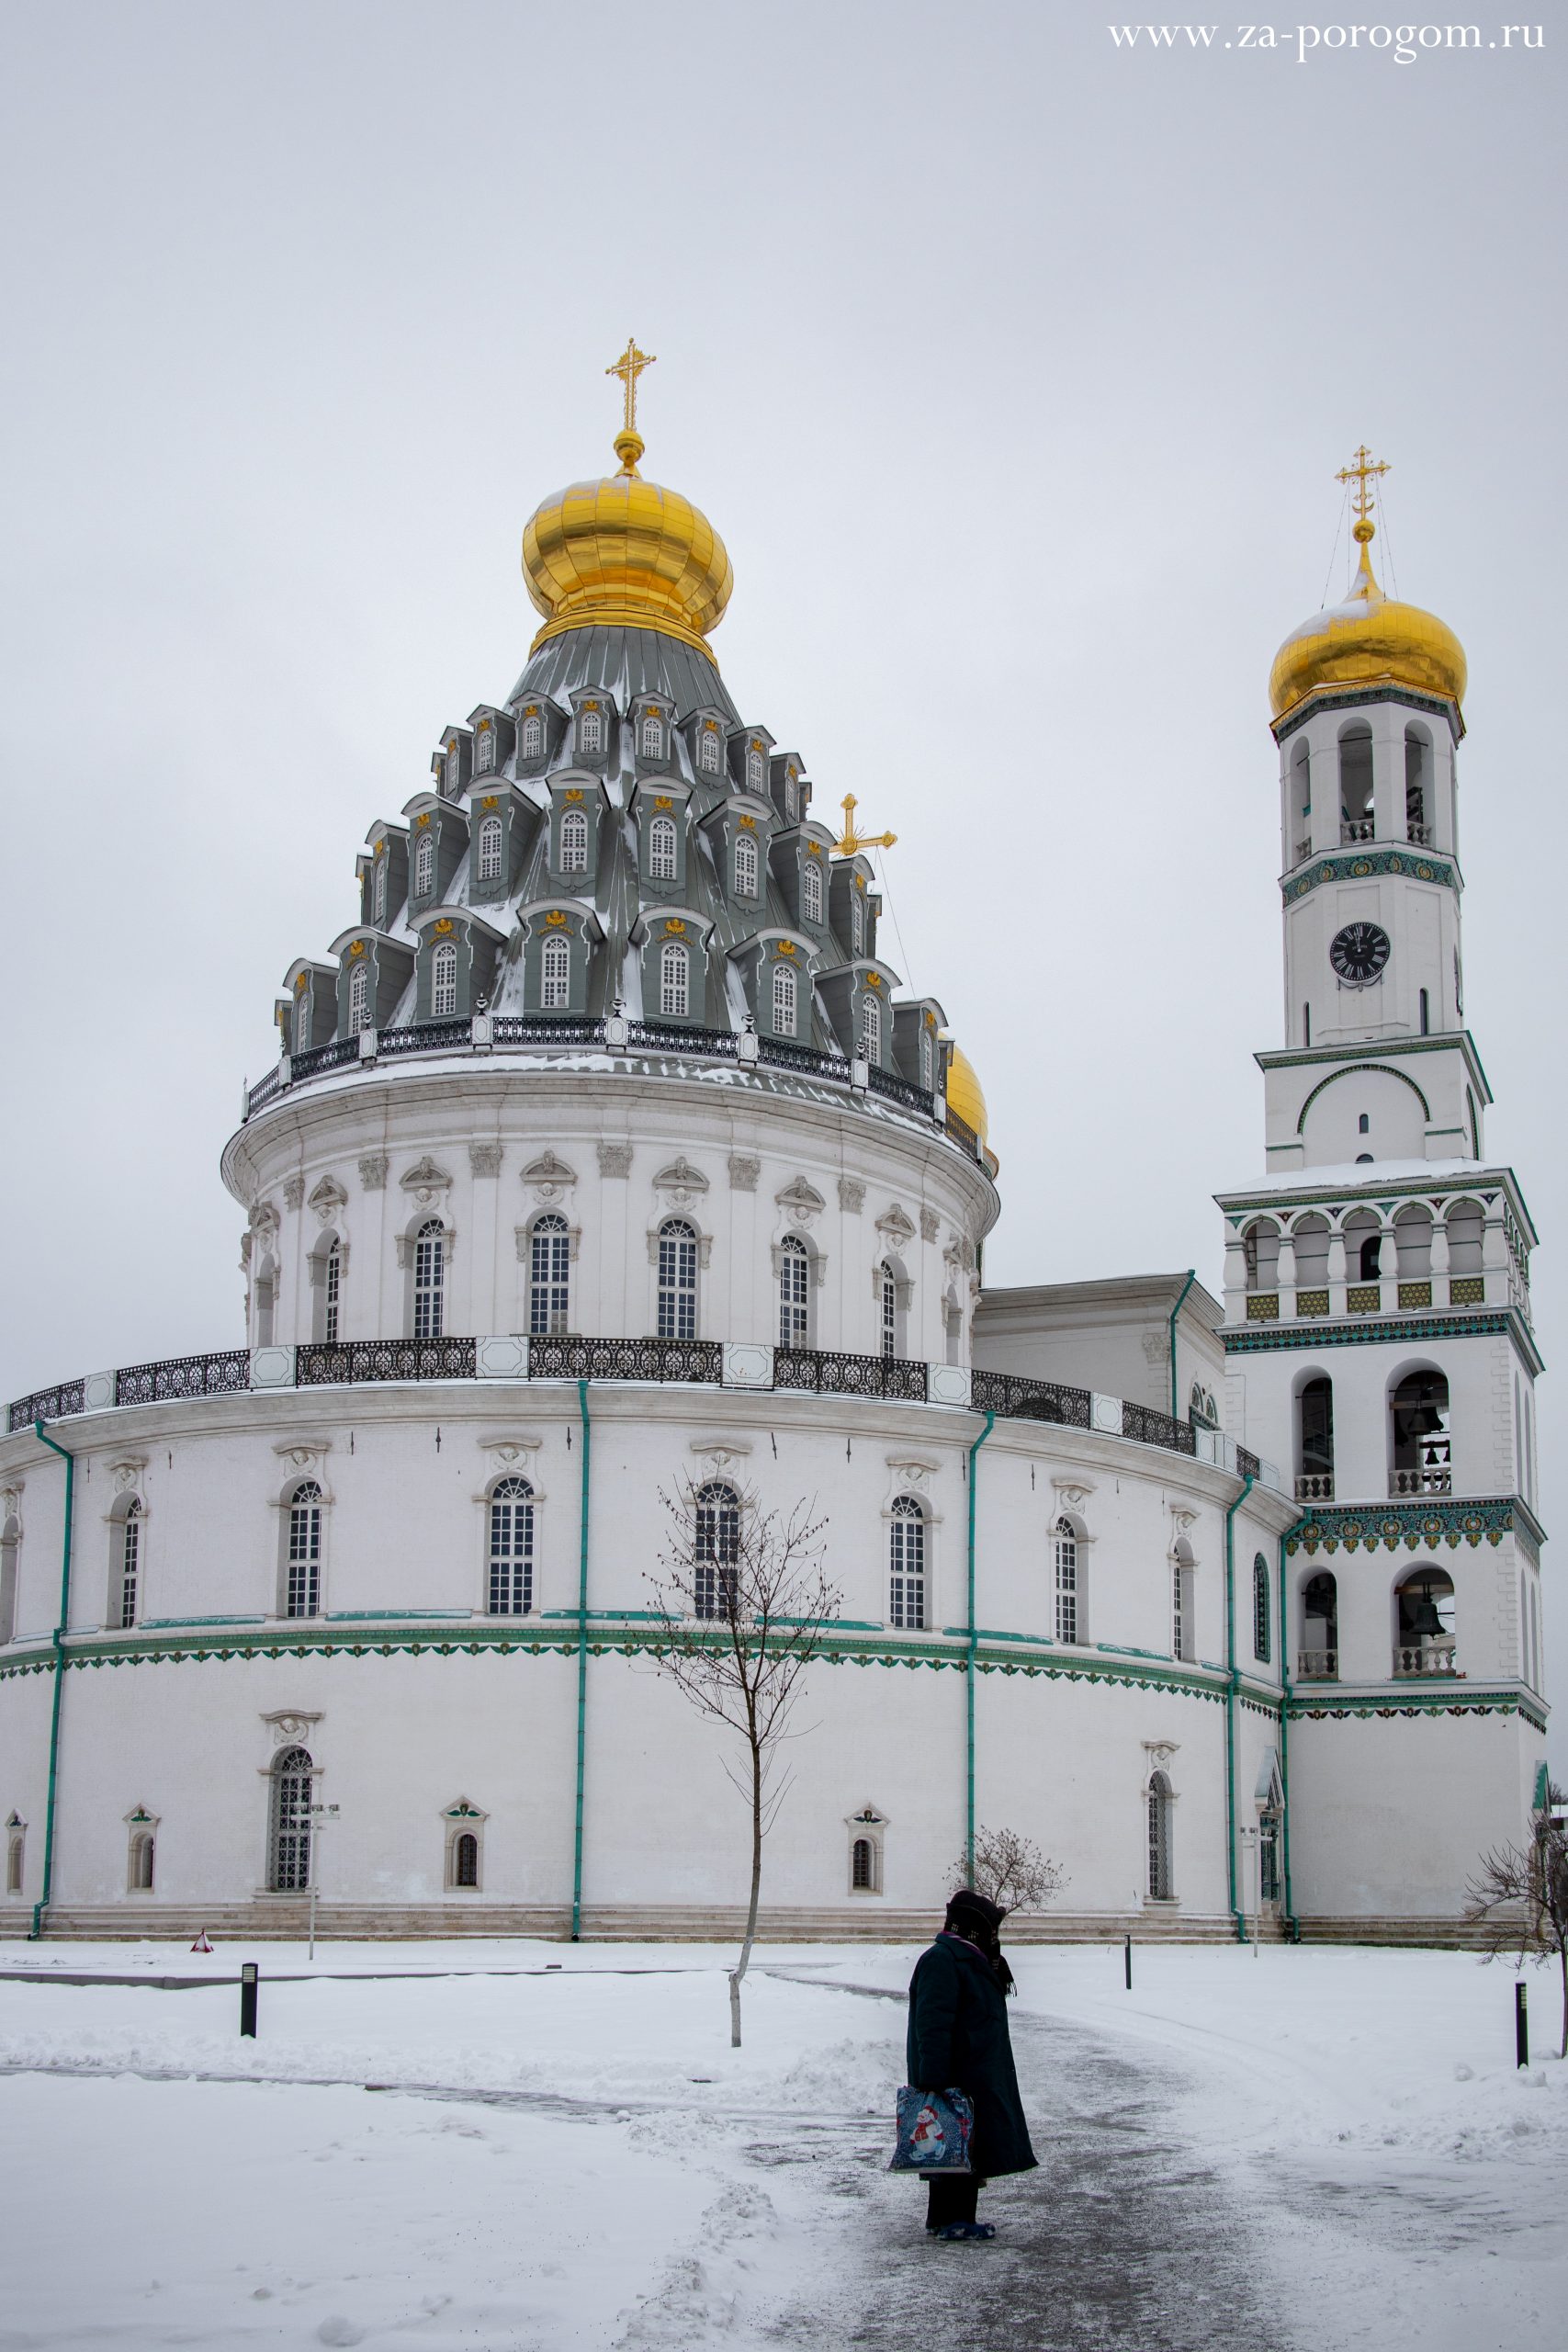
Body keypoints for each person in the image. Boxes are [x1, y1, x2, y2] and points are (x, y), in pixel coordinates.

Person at [906, 1887, 1037, 2240]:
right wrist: (934, 2079)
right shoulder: (943, 1960)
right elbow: (932, 2023)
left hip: (973, 2073)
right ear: (973, 1928)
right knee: (951, 2145)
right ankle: (951, 2219)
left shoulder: (968, 1958)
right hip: (954, 2075)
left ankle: (952, 2218)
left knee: (964, 2149)